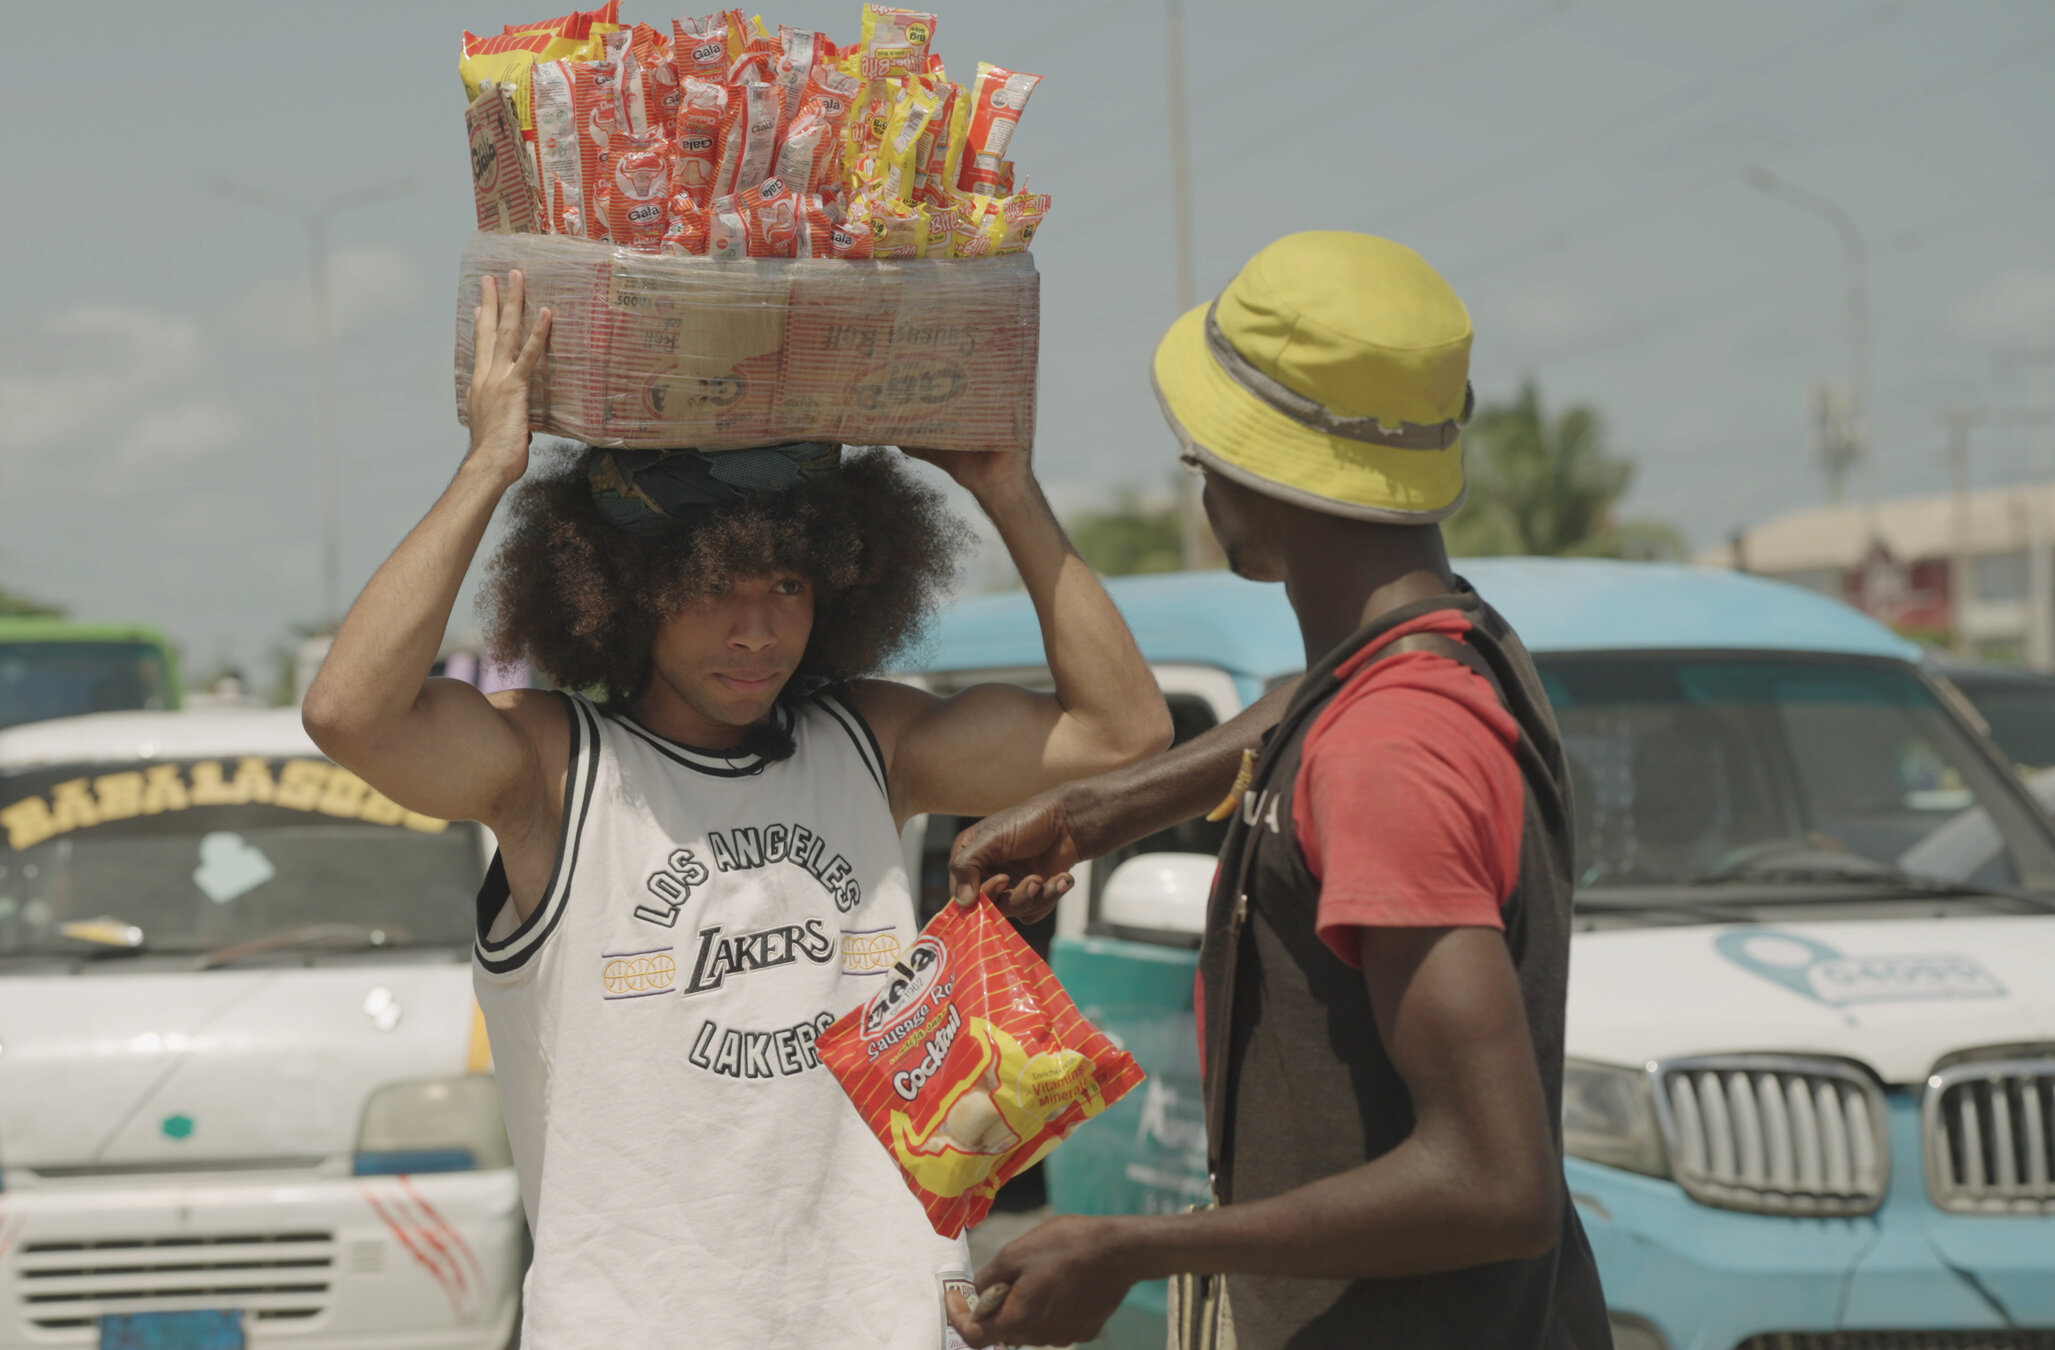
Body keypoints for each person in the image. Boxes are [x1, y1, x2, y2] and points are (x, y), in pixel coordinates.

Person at [304, 271, 1172, 1349]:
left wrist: (1006, 489)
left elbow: (1121, 733)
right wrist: (490, 462)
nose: (757, 630)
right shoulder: (554, 771)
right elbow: (349, 713)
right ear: (625, 589)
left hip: (889, 1323)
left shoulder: (871, 743)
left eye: (788, 587)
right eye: (716, 587)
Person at [943, 231, 1611, 1350]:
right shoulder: (1442, 643)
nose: (1198, 478)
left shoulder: (1382, 757)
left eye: (1202, 456)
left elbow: (1495, 1182)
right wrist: (1094, 814)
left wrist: (1129, 1248)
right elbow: (1312, 698)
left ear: (1254, 473)